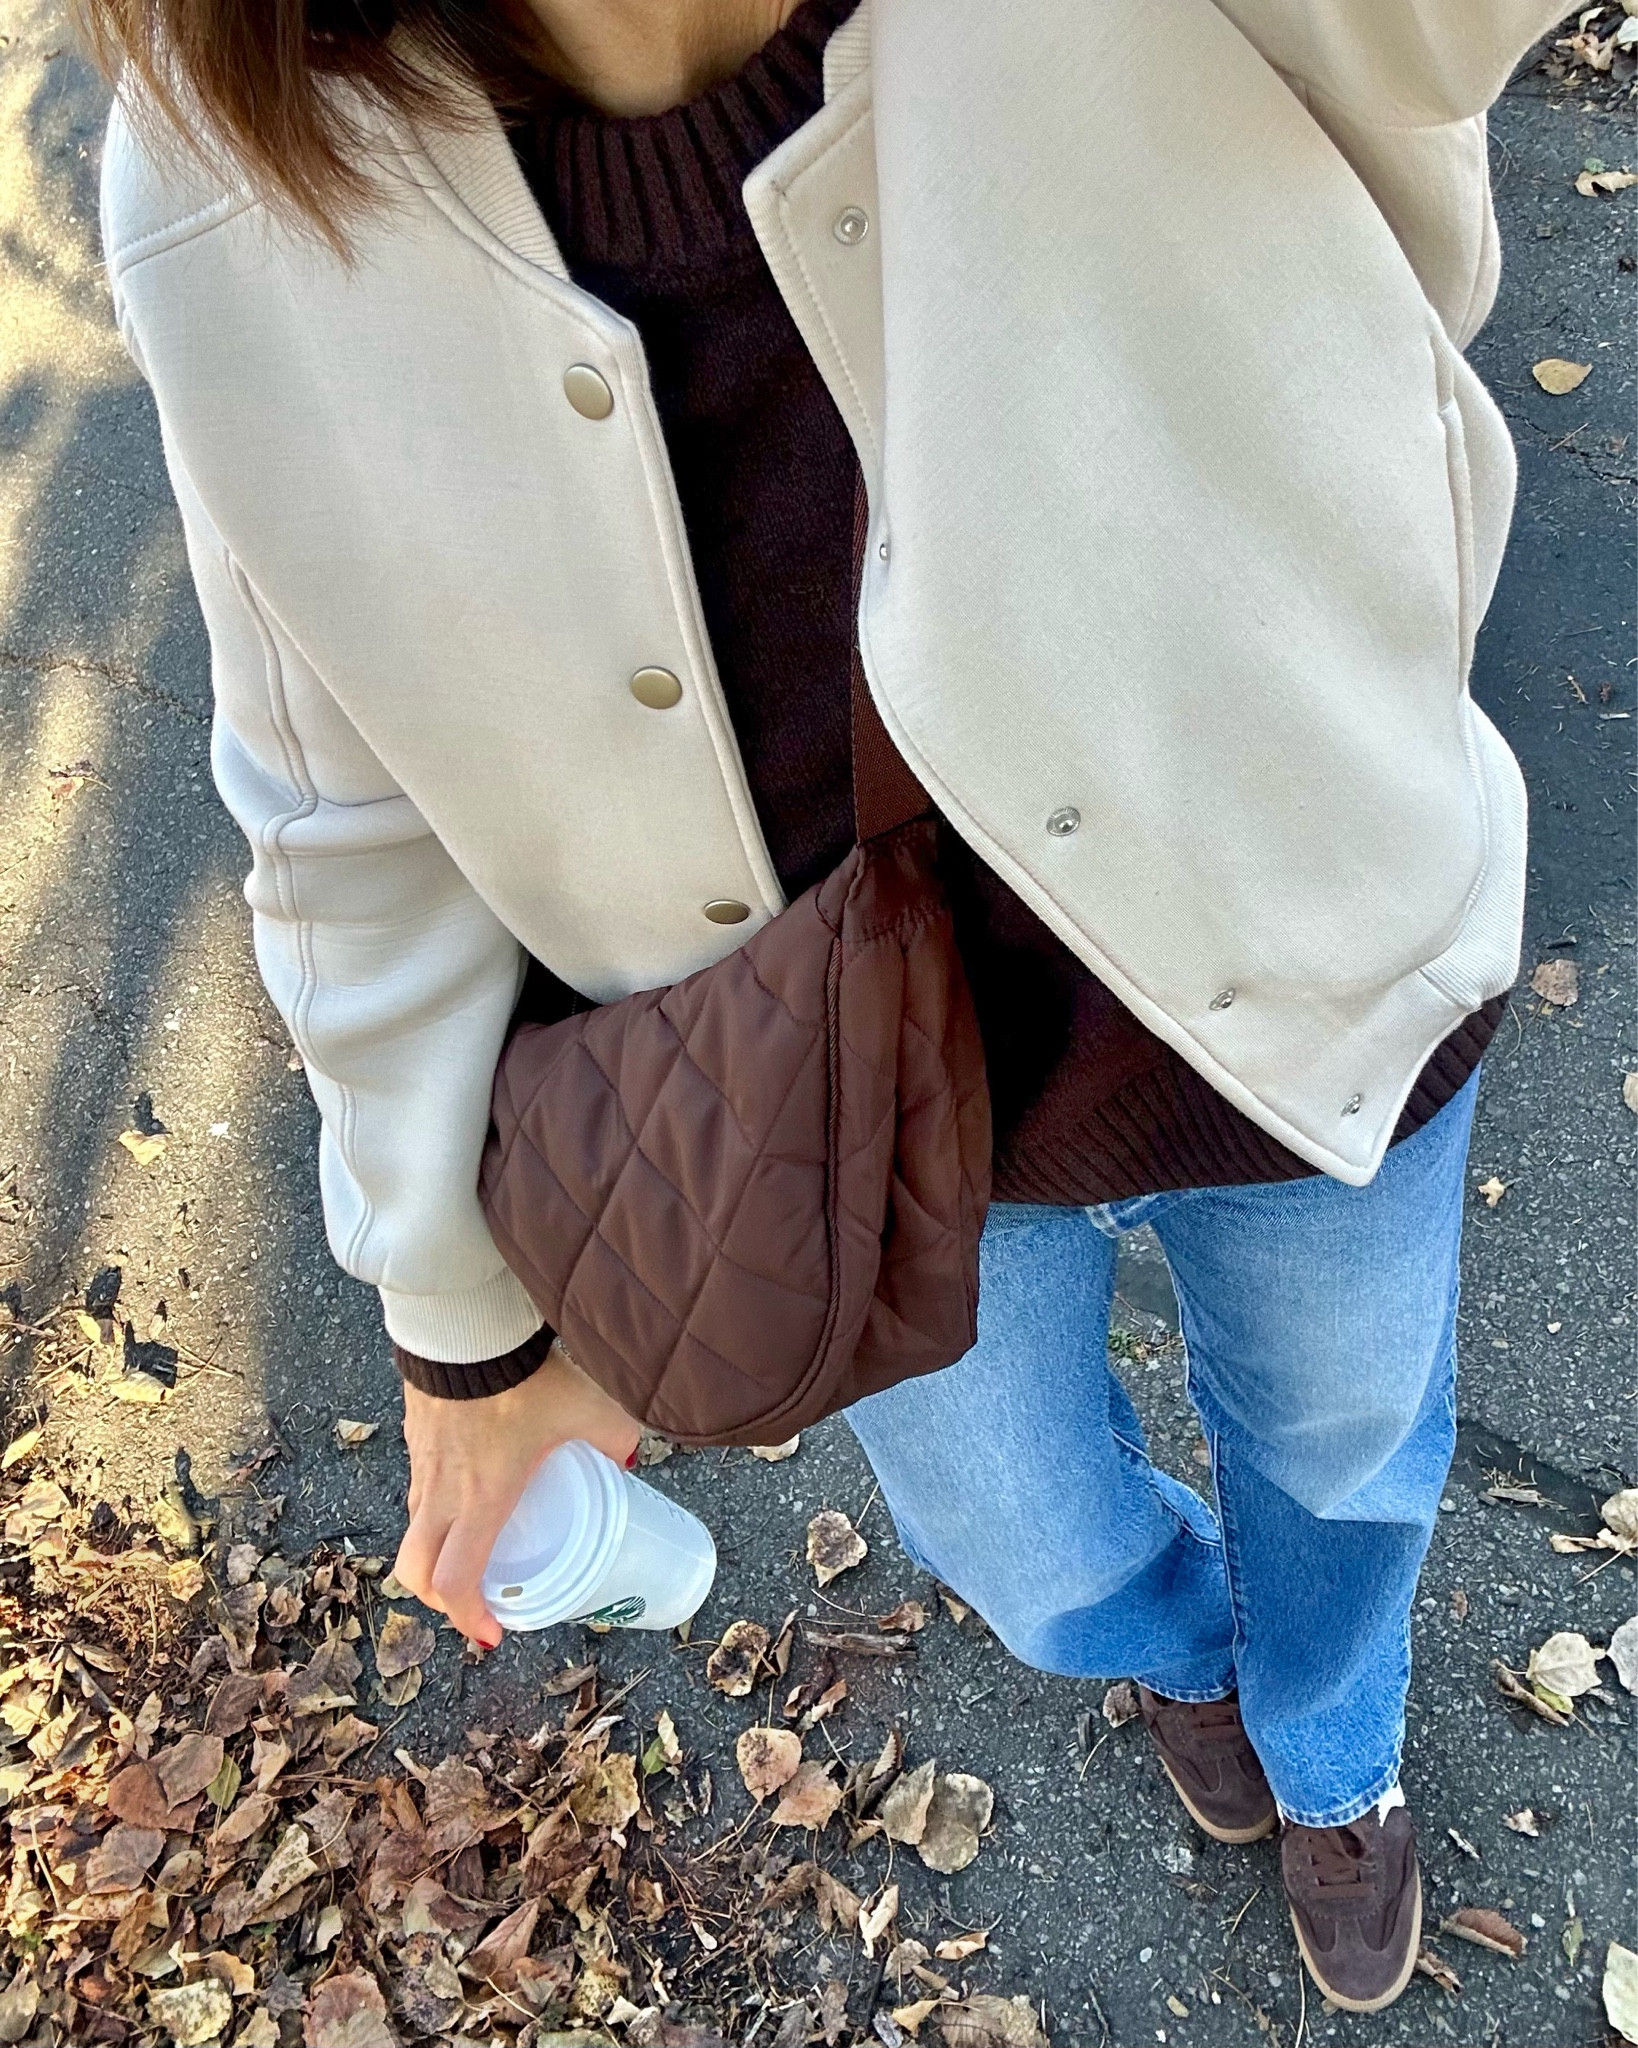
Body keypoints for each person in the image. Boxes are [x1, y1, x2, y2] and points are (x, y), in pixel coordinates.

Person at [91, 0, 1560, 2013]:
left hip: (1318, 961)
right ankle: (1178, 1648)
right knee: (1032, 1558)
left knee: (1344, 1447)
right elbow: (337, 793)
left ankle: (1334, 1746)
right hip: (836, 1111)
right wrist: (459, 1322)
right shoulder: (226, 173)